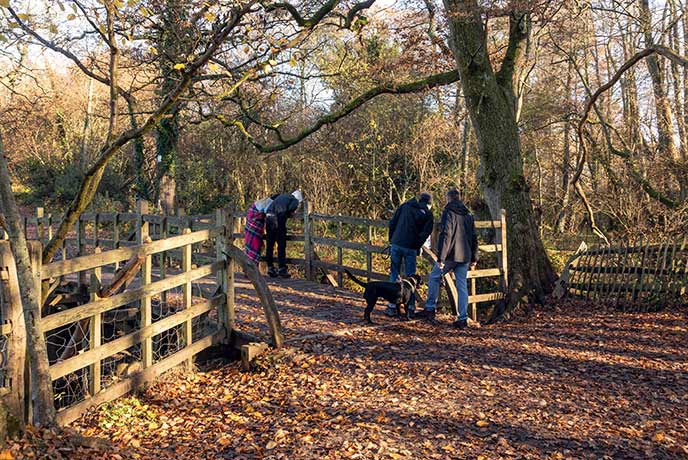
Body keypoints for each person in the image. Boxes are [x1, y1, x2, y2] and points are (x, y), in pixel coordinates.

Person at [419, 188, 478, 328]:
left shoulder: (449, 212)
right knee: (462, 286)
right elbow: (474, 236)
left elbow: (446, 235)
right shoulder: (468, 214)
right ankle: (462, 317)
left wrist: (441, 258)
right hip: (465, 255)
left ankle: (430, 308)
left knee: (434, 277)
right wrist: (474, 257)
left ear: (448, 198)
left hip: (451, 255)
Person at [385, 192, 434, 317]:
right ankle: (410, 307)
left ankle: (392, 306)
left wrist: (391, 240)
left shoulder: (405, 206)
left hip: (397, 243)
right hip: (410, 247)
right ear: (429, 204)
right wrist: (417, 245)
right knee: (411, 278)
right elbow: (425, 233)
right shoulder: (427, 214)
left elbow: (392, 223)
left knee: (394, 274)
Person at [265, 190, 303, 278]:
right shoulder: (294, 200)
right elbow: (291, 207)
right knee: (281, 244)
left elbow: (271, 199)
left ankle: (270, 267)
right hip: (278, 219)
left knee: (270, 243)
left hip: (268, 216)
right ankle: (282, 268)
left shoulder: (282, 195)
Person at [244, 196, 273, 264]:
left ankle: (251, 269)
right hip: (255, 222)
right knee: (254, 246)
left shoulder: (264, 201)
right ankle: (252, 268)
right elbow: (267, 213)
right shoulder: (270, 203)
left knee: (252, 245)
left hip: (253, 220)